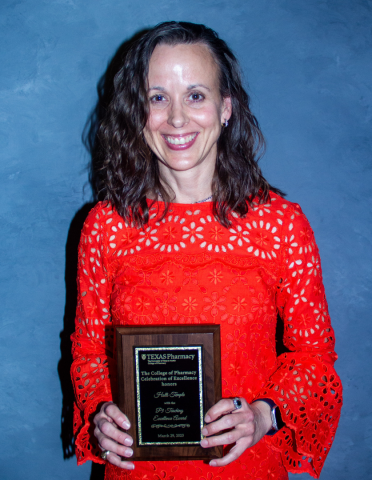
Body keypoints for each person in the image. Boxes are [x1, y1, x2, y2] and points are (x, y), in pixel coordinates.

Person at [71, 21, 342, 480]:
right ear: (138, 113)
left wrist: (262, 416)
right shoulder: (106, 227)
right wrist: (101, 411)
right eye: (158, 98)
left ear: (226, 108)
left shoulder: (280, 224)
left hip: (248, 469)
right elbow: (88, 354)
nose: (177, 118)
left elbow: (315, 358)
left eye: (195, 95)